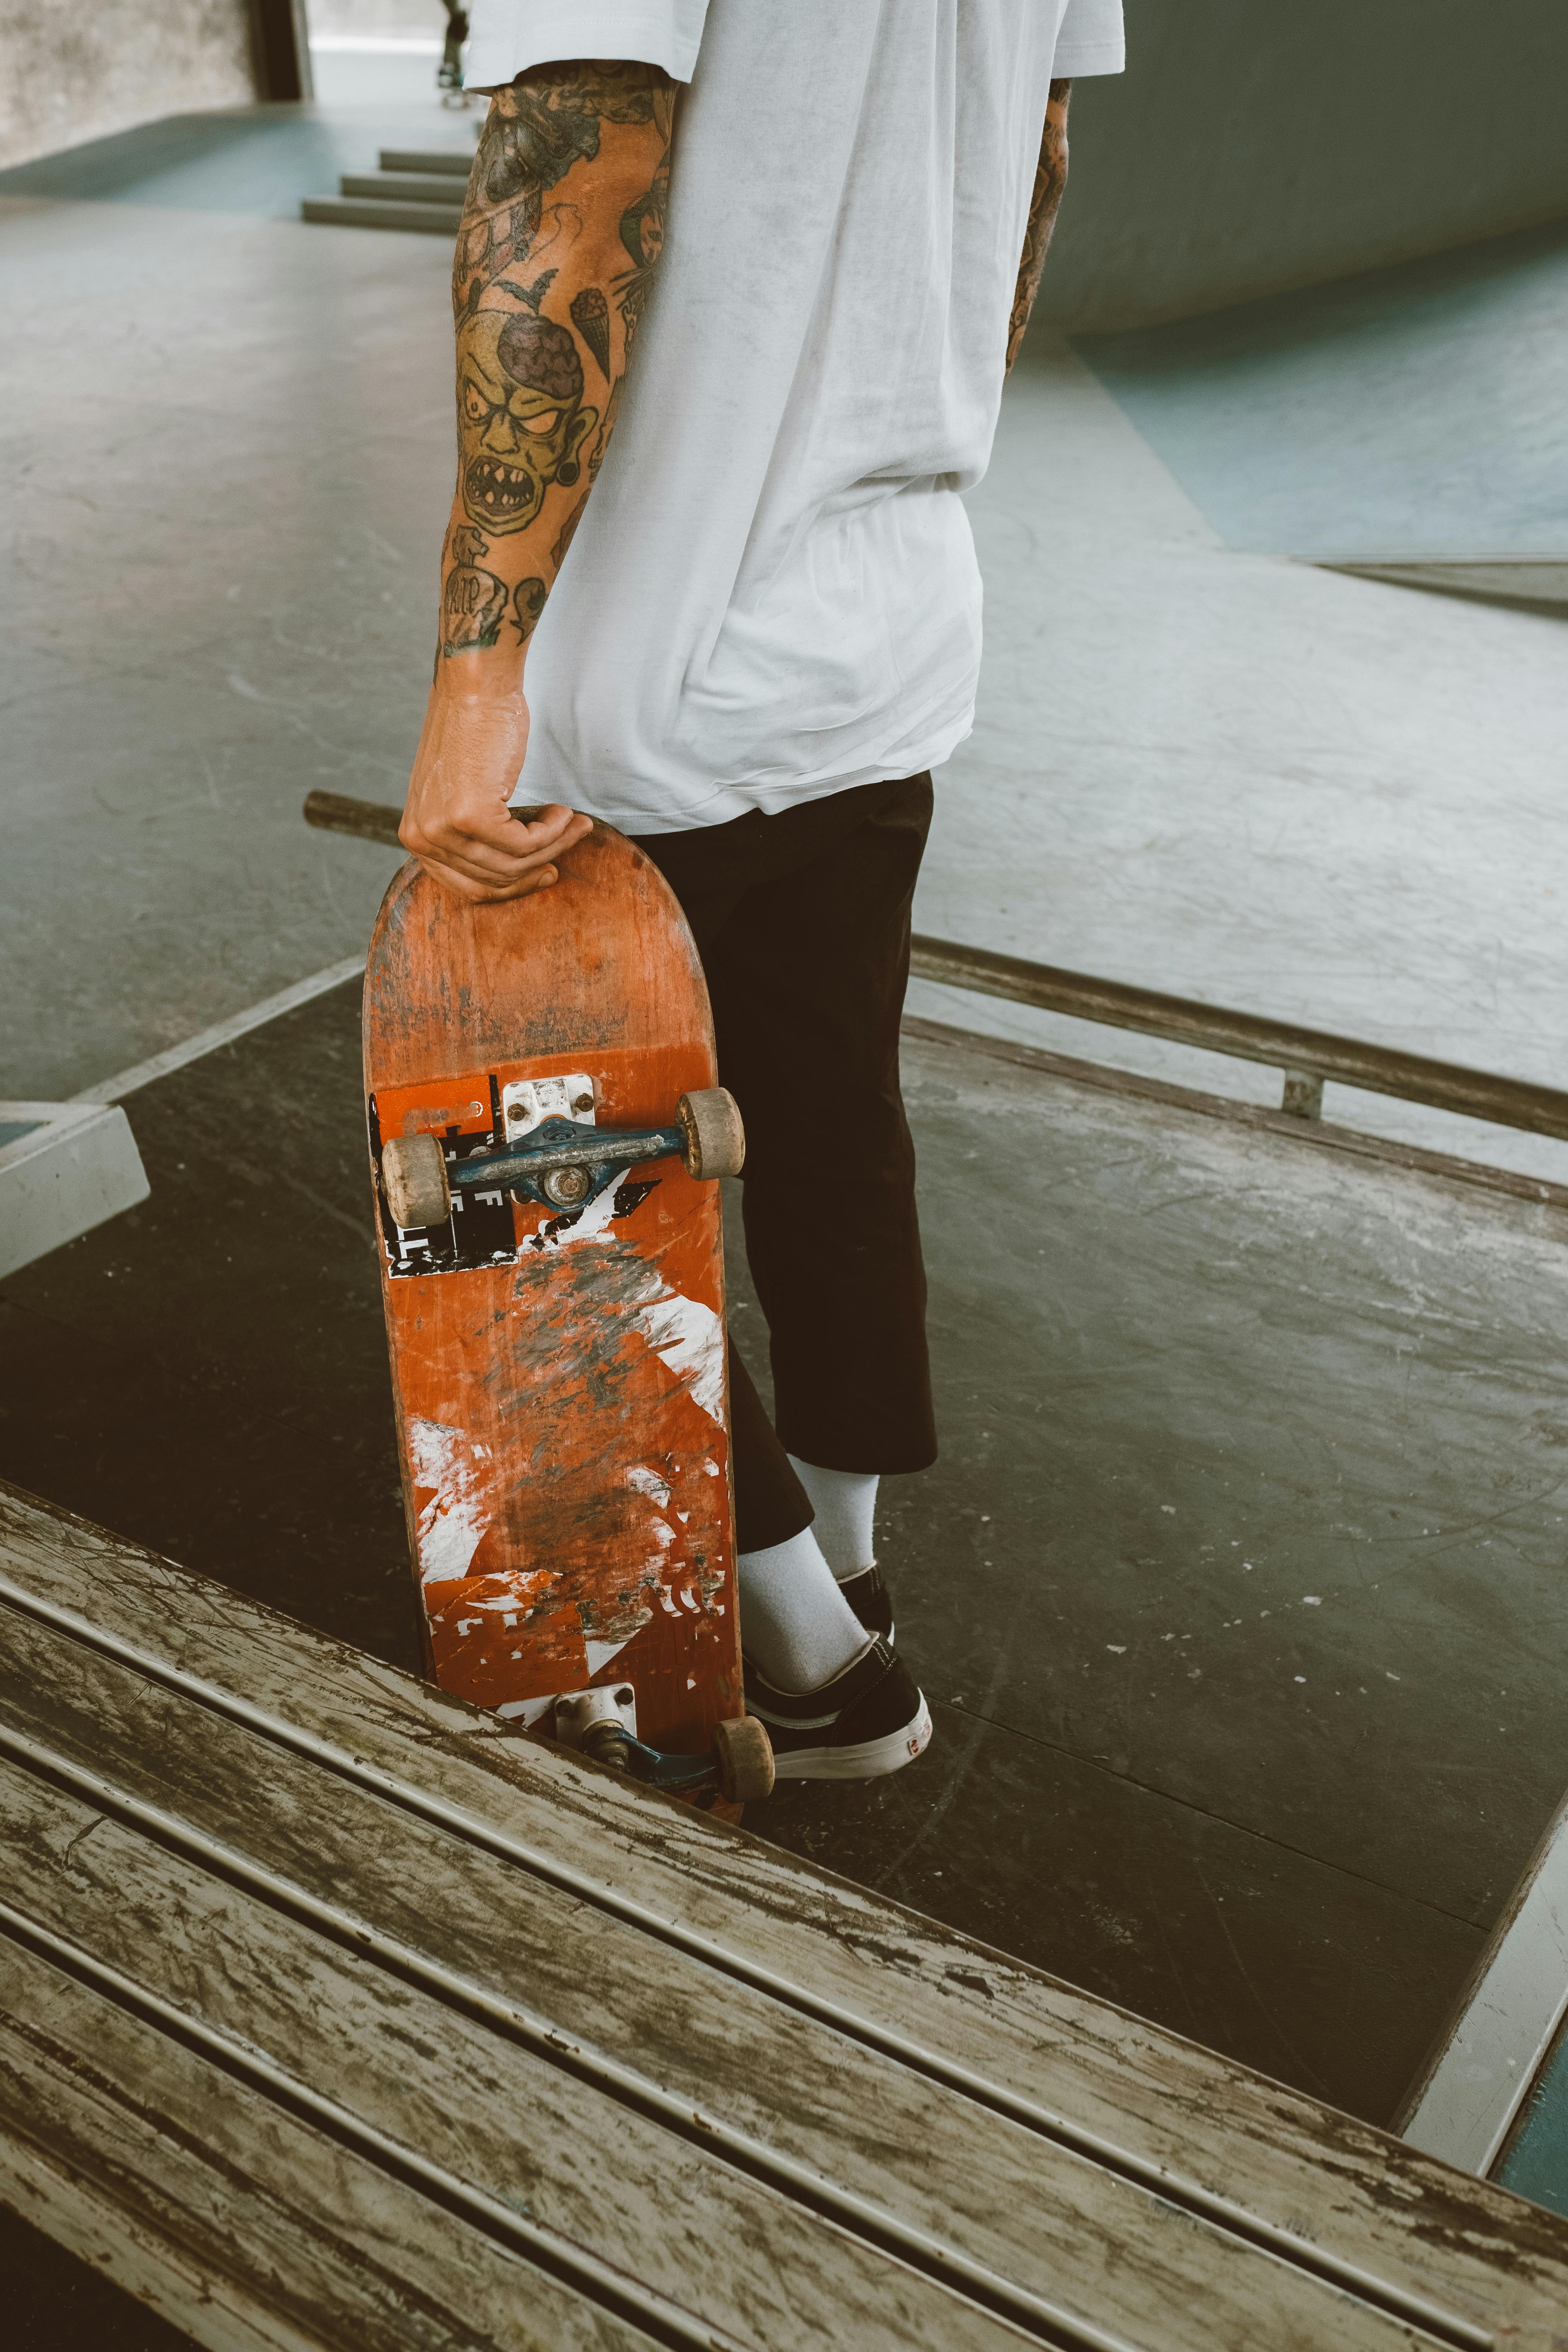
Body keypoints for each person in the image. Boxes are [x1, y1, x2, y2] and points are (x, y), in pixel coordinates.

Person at [399, 1, 1125, 1780]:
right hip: (887, 619)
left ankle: (807, 1660)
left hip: (660, 651)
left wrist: (477, 682)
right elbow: (1033, 156)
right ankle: (848, 1574)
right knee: (827, 1122)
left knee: (558, 1189)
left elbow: (564, 189)